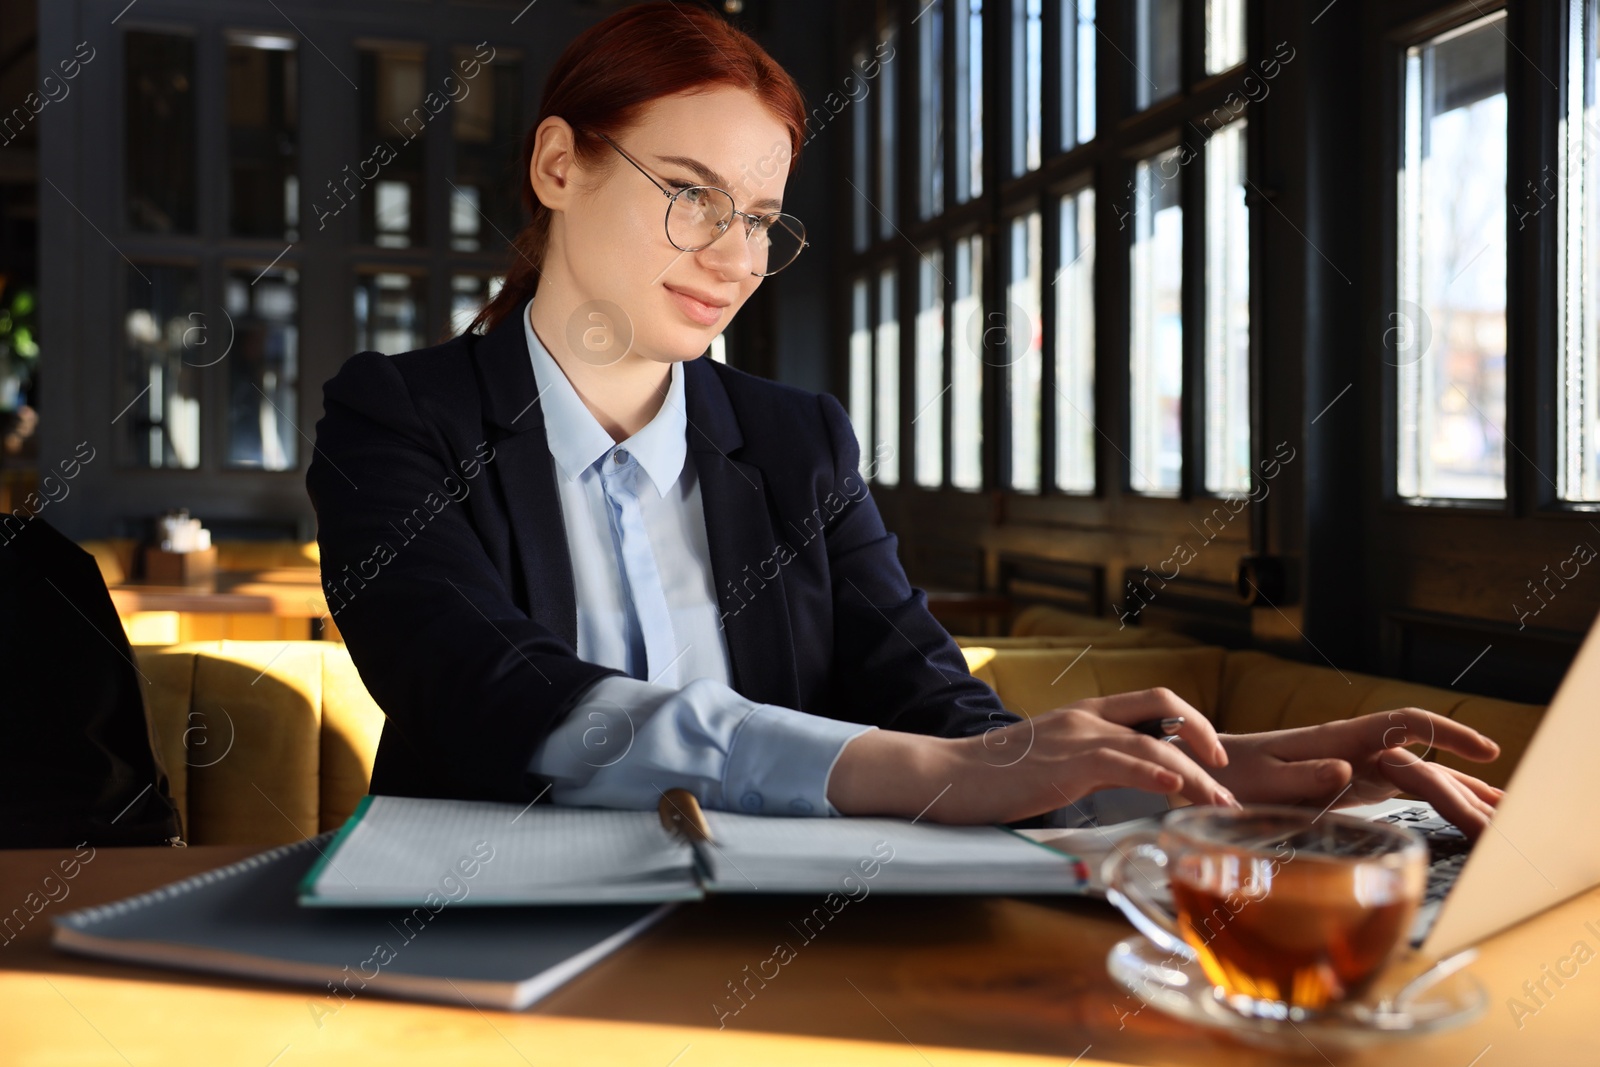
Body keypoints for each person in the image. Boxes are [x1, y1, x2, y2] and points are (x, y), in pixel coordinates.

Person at [306, 1, 1503, 837]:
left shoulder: (794, 438)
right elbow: (486, 688)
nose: (733, 255)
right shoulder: (395, 416)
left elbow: (940, 705)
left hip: (793, 936)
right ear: (559, 164)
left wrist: (1180, 777)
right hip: (468, 937)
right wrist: (920, 769)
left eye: (762, 218)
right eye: (691, 196)